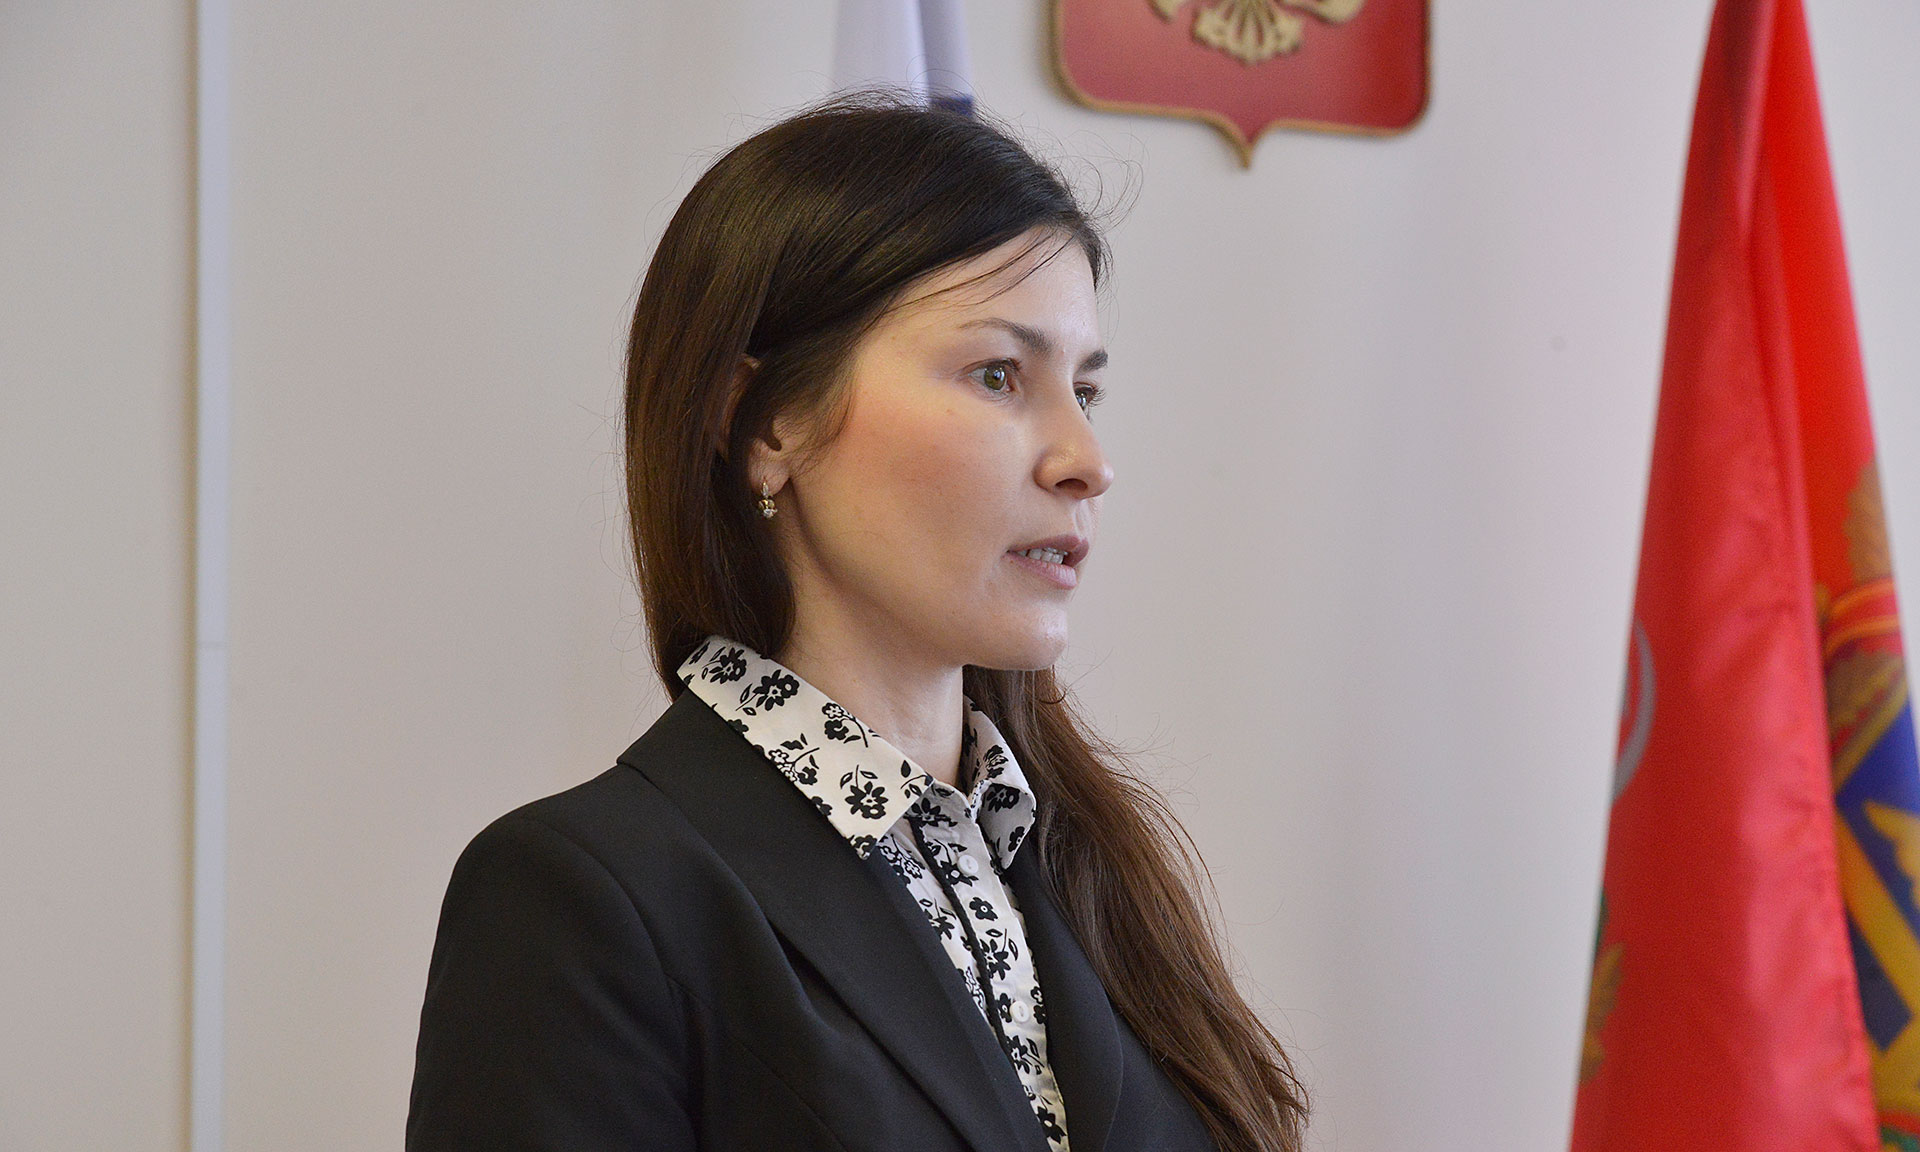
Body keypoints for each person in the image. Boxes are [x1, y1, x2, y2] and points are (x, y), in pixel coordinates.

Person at [406, 97, 1307, 1152]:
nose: (1086, 461)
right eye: (998, 375)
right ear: (767, 424)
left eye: (1086, 390)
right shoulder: (585, 897)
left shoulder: (1086, 870)